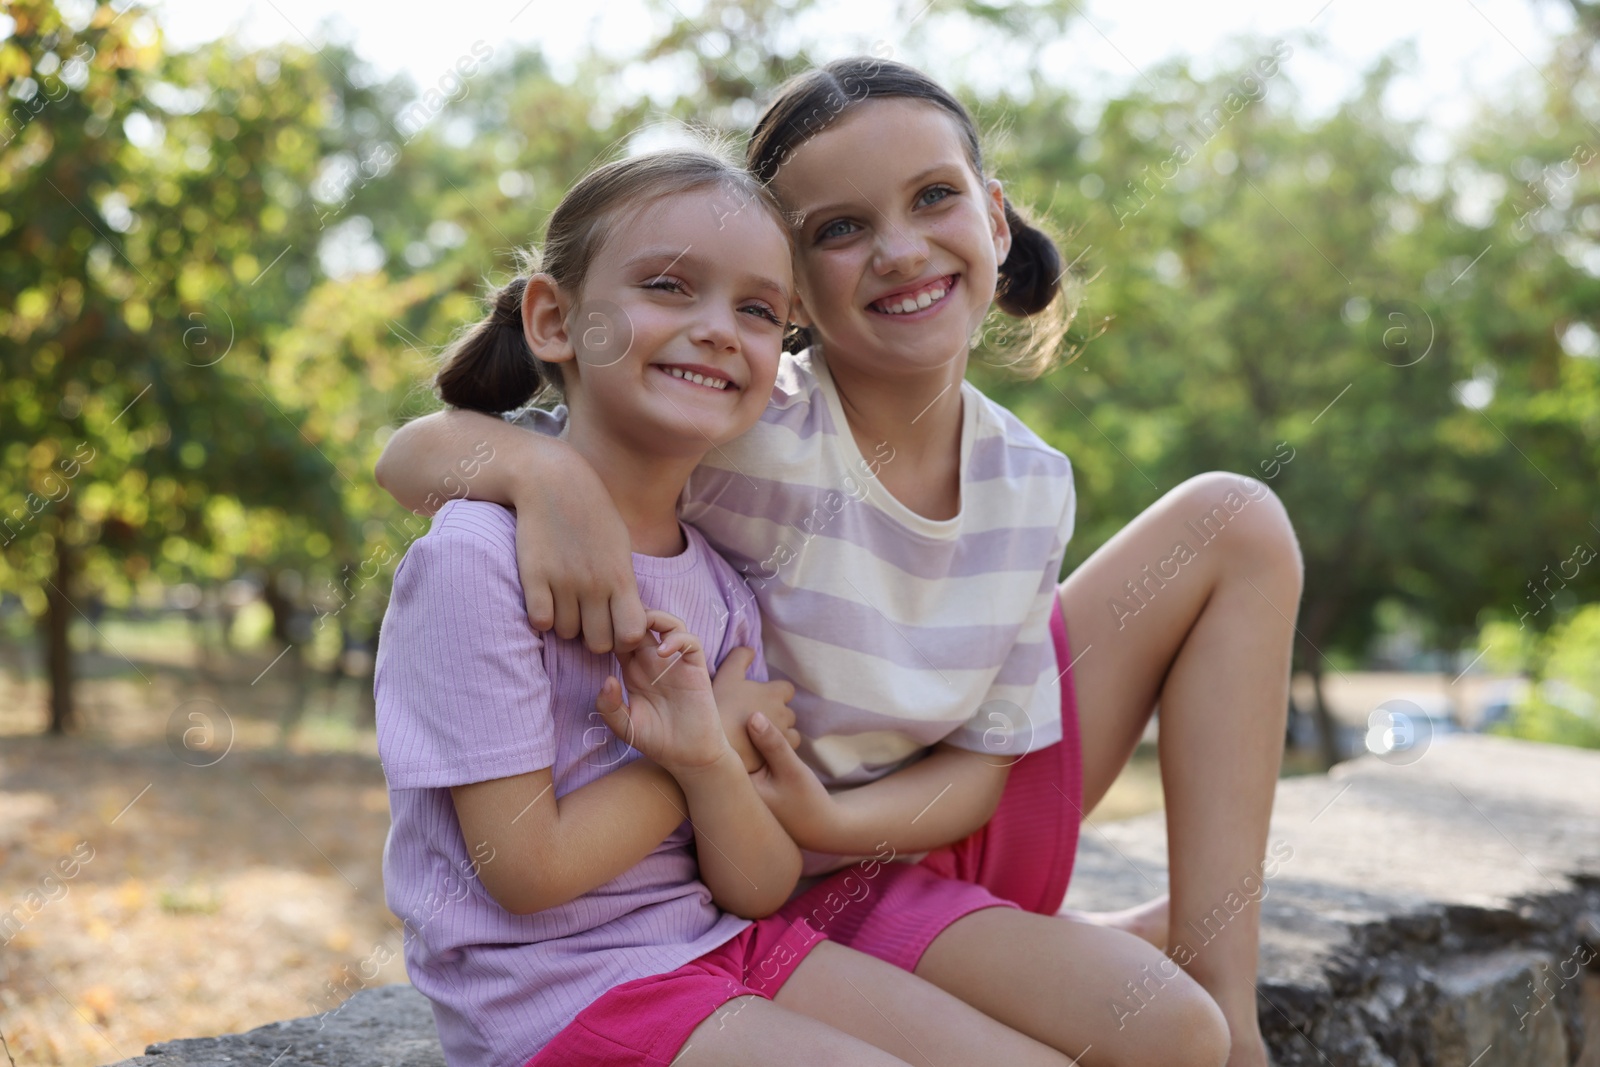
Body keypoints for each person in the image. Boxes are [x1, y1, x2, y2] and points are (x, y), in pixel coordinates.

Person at [382, 57, 1293, 1066]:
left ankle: (1220, 995)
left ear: (994, 219)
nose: (900, 249)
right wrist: (544, 478)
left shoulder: (1031, 478)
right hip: (789, 866)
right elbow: (420, 453)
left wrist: (815, 806)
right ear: (800, 292)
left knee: (1234, 514)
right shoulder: (734, 422)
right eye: (840, 229)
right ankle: (1072, 955)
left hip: (911, 815)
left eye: (935, 198)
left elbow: (990, 764)